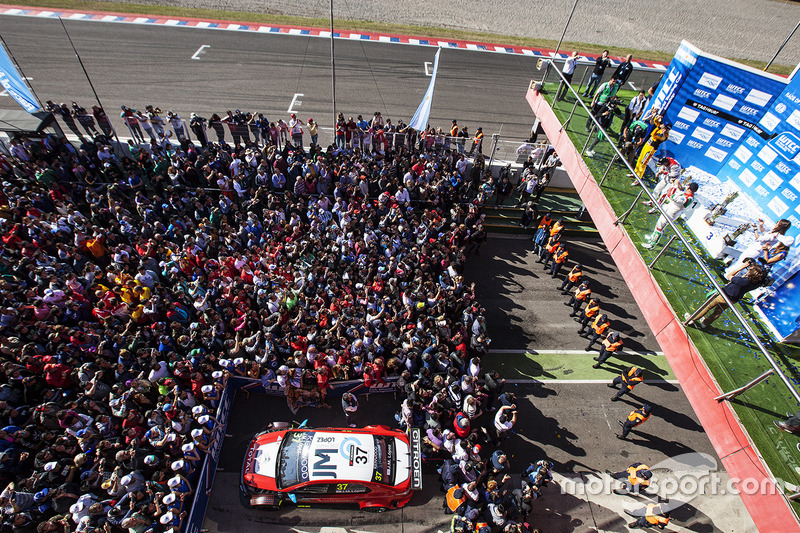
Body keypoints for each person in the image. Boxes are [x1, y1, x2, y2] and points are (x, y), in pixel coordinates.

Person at [684, 262, 768, 328]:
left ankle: (692, 319)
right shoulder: (756, 283)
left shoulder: (742, 281)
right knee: (718, 311)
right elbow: (749, 279)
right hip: (733, 300)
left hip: (723, 295)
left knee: (707, 307)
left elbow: (729, 276)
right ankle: (705, 323)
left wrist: (741, 267)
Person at [724, 219, 792, 278]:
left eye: (778, 222)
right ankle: (728, 272)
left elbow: (759, 238)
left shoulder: (775, 235)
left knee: (742, 263)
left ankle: (729, 275)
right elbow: (764, 232)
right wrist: (761, 225)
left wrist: (755, 228)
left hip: (756, 250)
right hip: (755, 248)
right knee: (740, 260)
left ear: (780, 225)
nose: (776, 223)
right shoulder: (774, 233)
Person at [642, 182, 698, 249]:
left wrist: (675, 186)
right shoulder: (687, 196)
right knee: (658, 225)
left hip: (670, 213)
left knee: (659, 228)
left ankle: (652, 244)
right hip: (669, 210)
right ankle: (652, 238)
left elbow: (670, 195)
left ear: (688, 188)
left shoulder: (687, 198)